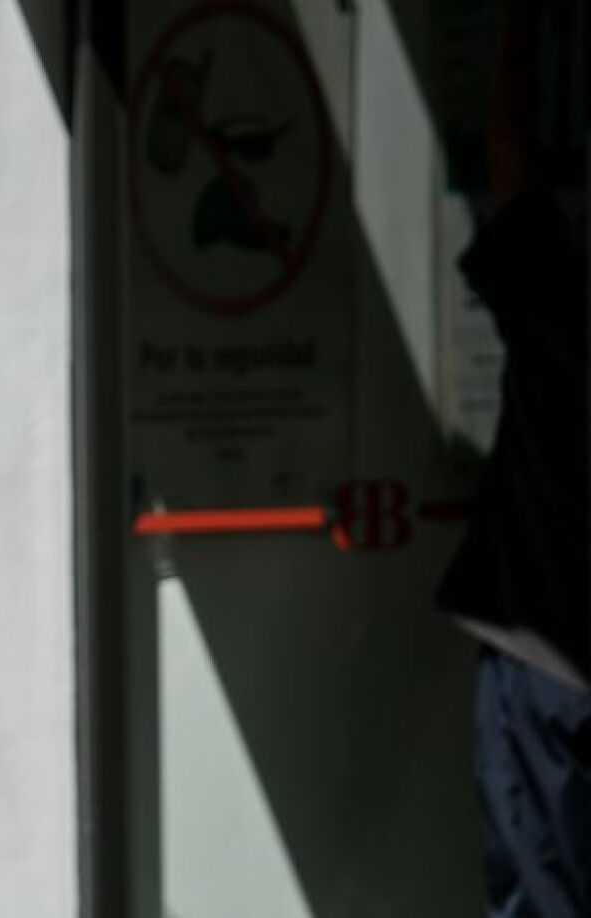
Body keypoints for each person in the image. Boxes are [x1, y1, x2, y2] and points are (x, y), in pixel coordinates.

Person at [435, 1, 589, 913]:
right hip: (545, 655)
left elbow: (507, 161)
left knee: (539, 888)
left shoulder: (560, 305)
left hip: (541, 656)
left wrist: (518, 29)